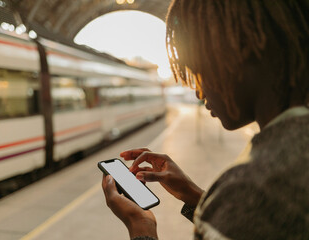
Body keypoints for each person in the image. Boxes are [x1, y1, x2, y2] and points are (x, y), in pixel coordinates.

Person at [102, 0, 309, 239]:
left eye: (197, 71)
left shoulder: (255, 186)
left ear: (242, 51)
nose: (198, 92)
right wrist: (194, 195)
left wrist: (140, 226)